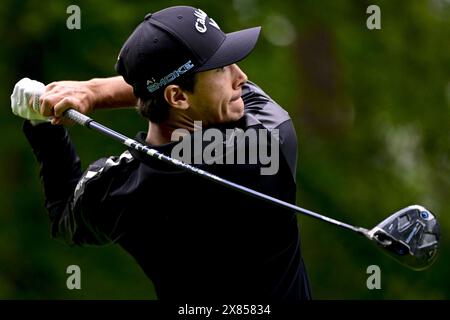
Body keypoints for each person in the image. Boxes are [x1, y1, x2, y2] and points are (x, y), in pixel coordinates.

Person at [12, 5, 311, 300]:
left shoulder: (125, 190)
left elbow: (64, 209)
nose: (241, 77)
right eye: (221, 68)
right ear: (178, 96)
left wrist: (41, 122)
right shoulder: (269, 137)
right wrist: (94, 92)